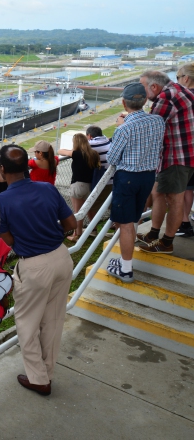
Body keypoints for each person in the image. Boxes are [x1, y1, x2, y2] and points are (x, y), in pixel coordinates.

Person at [0, 144, 76, 396]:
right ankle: (46, 372)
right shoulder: (47, 188)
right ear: (27, 165)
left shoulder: (0, 201)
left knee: (27, 324)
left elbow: (8, 240)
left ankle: (39, 378)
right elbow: (71, 223)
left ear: (1, 169)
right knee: (53, 320)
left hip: (34, 265)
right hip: (61, 257)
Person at [105, 83, 165, 282]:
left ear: (124, 102)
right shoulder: (158, 121)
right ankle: (124, 264)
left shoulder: (124, 129)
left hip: (128, 178)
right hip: (148, 177)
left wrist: (120, 127)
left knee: (126, 225)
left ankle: (126, 269)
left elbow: (112, 159)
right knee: (134, 219)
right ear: (145, 100)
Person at [137, 70, 194, 253]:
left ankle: (167, 243)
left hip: (175, 158)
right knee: (158, 193)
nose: (142, 93)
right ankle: (153, 234)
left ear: (154, 86)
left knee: (175, 199)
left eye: (143, 88)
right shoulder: (181, 89)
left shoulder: (166, 97)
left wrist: (127, 122)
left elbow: (149, 130)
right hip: (185, 155)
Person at [58, 133, 100, 241]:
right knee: (89, 209)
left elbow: (60, 151)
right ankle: (94, 229)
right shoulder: (94, 154)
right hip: (91, 185)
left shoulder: (76, 154)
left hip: (78, 185)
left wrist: (71, 149)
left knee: (78, 212)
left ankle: (77, 235)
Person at [174, 63, 194, 238]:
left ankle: (184, 221)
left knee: (184, 188)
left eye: (178, 78)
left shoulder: (184, 98)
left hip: (186, 152)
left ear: (186, 79)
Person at [85, 125, 114, 220]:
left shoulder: (91, 144)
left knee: (91, 205)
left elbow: (76, 150)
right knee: (112, 203)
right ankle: (115, 224)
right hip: (114, 178)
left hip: (104, 180)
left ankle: (92, 230)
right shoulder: (106, 140)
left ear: (89, 136)